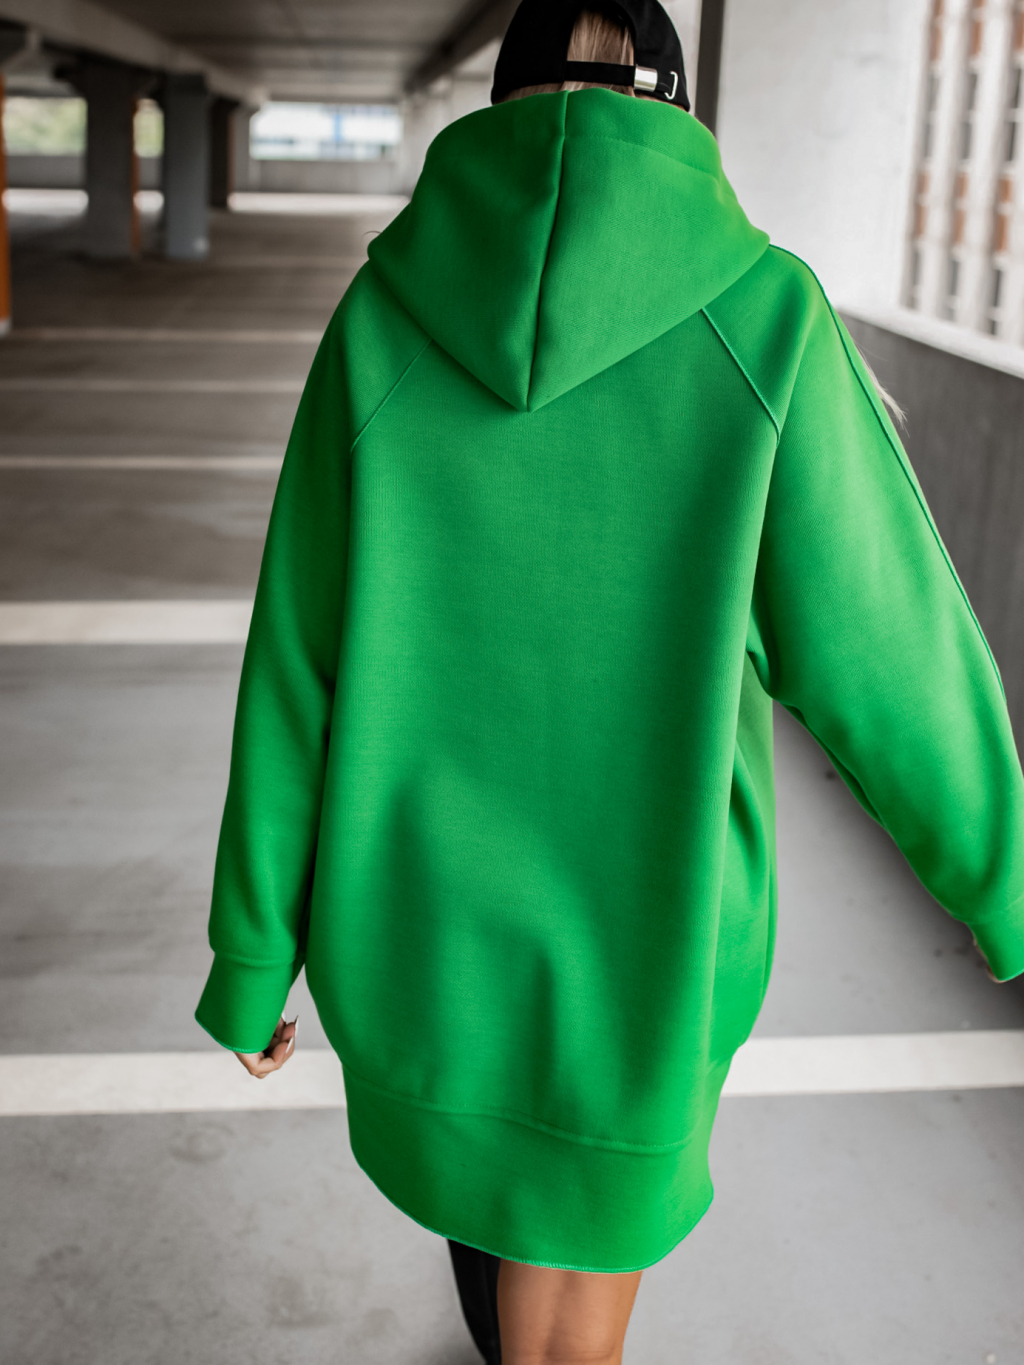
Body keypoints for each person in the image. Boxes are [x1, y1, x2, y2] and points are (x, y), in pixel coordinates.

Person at [195, 1, 1024, 1361]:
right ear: (679, 111)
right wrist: (1007, 884)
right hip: (655, 944)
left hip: (418, 929)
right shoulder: (767, 318)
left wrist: (250, 954)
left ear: (496, 105)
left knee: (499, 1233)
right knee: (568, 1321)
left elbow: (296, 662)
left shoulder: (382, 317)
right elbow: (892, 650)